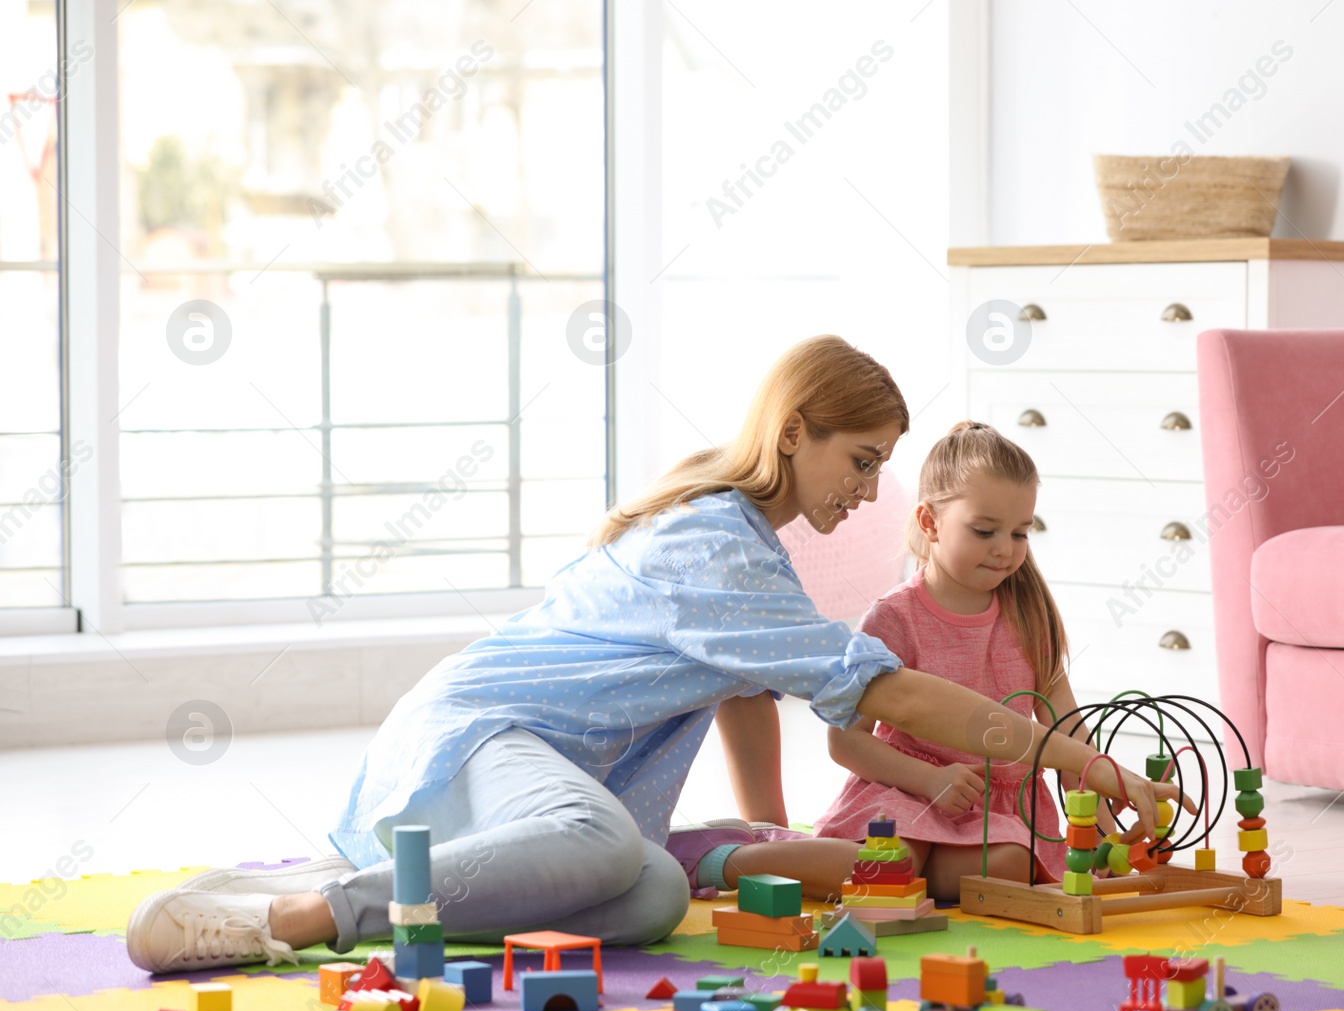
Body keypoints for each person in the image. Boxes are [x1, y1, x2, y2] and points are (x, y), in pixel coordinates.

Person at [124, 335, 1185, 975]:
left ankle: (418, 878)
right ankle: (298, 913)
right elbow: (895, 689)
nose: (869, 491)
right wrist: (1087, 764)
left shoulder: (746, 549)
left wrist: (767, 814)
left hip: (532, 775)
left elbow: (739, 690)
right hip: (482, 736)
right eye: (859, 461)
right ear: (797, 431)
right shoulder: (712, 542)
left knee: (648, 900)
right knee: (594, 838)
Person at [810, 422, 1116, 899]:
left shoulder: (1030, 614)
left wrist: (1099, 827)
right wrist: (930, 779)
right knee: (891, 863)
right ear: (930, 522)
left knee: (1012, 864)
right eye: (984, 531)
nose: (1005, 549)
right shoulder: (894, 618)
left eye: (1020, 533)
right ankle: (734, 857)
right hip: (908, 792)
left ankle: (918, 878)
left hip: (1001, 812)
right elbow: (845, 742)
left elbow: (1067, 733)